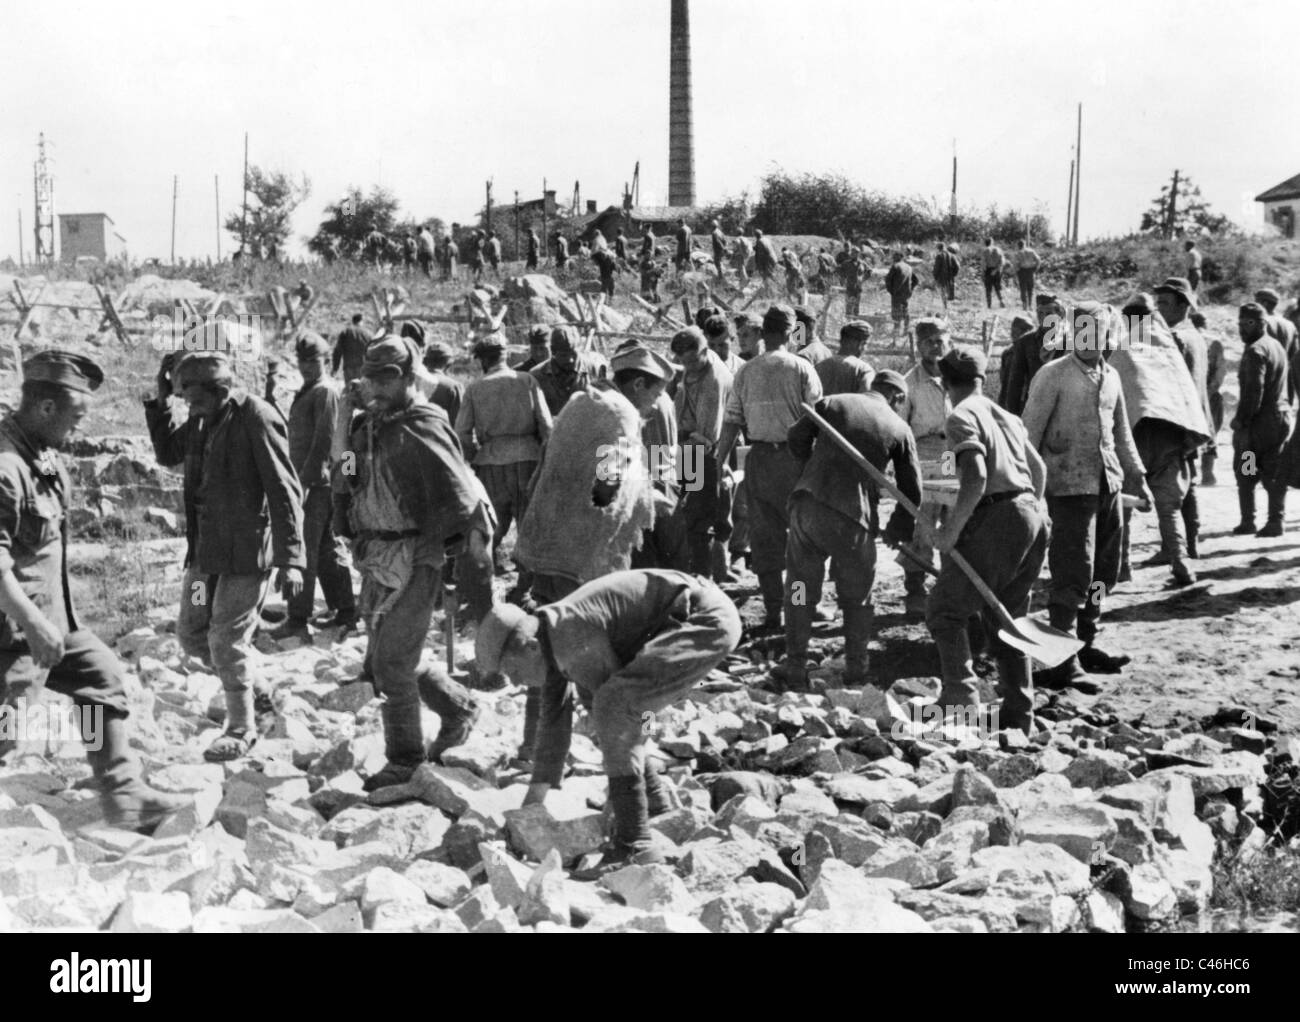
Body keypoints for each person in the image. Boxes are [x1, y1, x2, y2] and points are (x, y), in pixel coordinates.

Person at [1, 352, 189, 831]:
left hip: (51, 619)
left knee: (100, 678)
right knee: (9, 727)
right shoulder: (6, 466)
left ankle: (124, 796)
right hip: (15, 628)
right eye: (76, 417)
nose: (79, 429)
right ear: (45, 407)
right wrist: (30, 621)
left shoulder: (42, 455)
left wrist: (49, 621)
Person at [476, 569, 741, 865]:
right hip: (689, 622)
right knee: (602, 701)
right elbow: (553, 726)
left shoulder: (569, 633)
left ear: (531, 647)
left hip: (707, 622)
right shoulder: (549, 639)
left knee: (612, 705)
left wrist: (616, 798)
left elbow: (622, 716)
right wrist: (523, 819)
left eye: (512, 671)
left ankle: (635, 844)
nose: (514, 682)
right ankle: (653, 801)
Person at [333, 336, 488, 789]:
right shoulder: (370, 426)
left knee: (390, 666)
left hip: (420, 555)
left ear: (407, 377)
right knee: (389, 655)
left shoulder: (425, 422)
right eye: (371, 379)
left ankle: (405, 759)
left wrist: (466, 573)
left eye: (388, 379)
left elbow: (460, 500)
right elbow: (344, 479)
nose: (377, 389)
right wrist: (344, 421)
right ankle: (458, 708)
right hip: (377, 557)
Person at [144, 348, 305, 762]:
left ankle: (241, 726)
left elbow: (284, 489)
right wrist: (160, 403)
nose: (191, 408)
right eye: (186, 400)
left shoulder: (256, 416)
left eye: (195, 399)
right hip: (205, 558)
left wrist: (291, 557)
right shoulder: (200, 420)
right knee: (193, 633)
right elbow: (167, 454)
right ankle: (258, 694)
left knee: (226, 637)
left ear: (221, 390)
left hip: (246, 558)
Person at [1021, 302, 1152, 692]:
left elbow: (1122, 431)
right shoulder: (1053, 375)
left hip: (1107, 485)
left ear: (1109, 335)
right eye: (1083, 332)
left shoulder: (1110, 376)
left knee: (1102, 572)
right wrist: (1030, 485)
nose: (1091, 339)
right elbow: (1028, 434)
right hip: (1067, 487)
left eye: (1098, 332)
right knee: (1073, 571)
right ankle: (1060, 660)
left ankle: (1086, 642)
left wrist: (1138, 477)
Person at [923, 346, 1049, 734]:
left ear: (944, 383)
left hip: (998, 516)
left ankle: (960, 697)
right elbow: (1039, 470)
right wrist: (1028, 513)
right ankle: (1018, 715)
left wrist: (949, 534)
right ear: (981, 379)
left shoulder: (960, 416)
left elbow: (974, 477)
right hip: (1033, 514)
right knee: (1008, 620)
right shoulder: (1006, 416)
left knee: (944, 610)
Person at [771, 372, 920, 689]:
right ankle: (856, 670)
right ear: (897, 398)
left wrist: (813, 468)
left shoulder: (832, 402)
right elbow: (912, 490)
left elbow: (795, 436)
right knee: (857, 597)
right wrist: (898, 528)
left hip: (808, 508)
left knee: (800, 587)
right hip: (853, 520)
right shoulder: (899, 428)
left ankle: (795, 664)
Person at [716, 305, 824, 629]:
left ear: (764, 333)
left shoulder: (746, 371)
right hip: (796, 460)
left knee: (765, 538)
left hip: (759, 460)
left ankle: (775, 609)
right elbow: (819, 418)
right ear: (791, 333)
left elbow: (732, 420)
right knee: (801, 539)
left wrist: (718, 461)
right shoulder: (801, 367)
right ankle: (801, 607)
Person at [1111, 295, 1211, 587]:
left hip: (1134, 437)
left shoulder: (1121, 349)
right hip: (1168, 435)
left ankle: (1123, 566)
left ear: (1128, 319)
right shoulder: (1169, 347)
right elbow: (1184, 390)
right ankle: (1181, 562)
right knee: (1169, 508)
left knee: (1125, 505)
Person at [274, 333, 357, 639]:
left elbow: (324, 439)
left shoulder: (325, 392)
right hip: (311, 481)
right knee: (325, 549)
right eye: (302, 361)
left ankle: (297, 620)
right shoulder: (310, 390)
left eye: (313, 361)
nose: (307, 367)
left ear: (325, 361)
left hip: (314, 483)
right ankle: (346, 612)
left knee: (302, 548)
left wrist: (305, 482)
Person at [456, 337, 553, 589]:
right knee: (528, 527)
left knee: (492, 528)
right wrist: (544, 456)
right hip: (528, 460)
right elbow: (547, 425)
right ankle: (526, 586)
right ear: (505, 355)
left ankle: (479, 586)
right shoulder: (527, 381)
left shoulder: (475, 389)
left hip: (491, 462)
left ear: (484, 360)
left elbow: (462, 433)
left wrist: (475, 456)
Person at [1153, 277, 1212, 560]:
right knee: (1188, 485)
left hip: (1178, 423)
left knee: (1172, 490)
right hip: (1195, 422)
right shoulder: (1196, 337)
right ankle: (1191, 543)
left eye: (1163, 303)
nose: (1157, 309)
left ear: (1182, 305)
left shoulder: (1175, 338)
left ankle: (1173, 549)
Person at [669, 327, 734, 580]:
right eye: (683, 362)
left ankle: (702, 579)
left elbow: (706, 436)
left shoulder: (713, 381)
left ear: (705, 351)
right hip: (684, 448)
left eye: (692, 360)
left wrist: (679, 459)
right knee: (680, 513)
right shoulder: (692, 369)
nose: (688, 367)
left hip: (700, 453)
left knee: (698, 519)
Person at [900, 317, 955, 617]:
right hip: (925, 451)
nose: (935, 346)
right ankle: (915, 588)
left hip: (955, 452)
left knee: (955, 519)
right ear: (919, 346)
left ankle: (950, 586)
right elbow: (900, 426)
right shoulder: (910, 382)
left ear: (949, 342)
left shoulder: (958, 376)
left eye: (940, 340)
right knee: (922, 521)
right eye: (929, 341)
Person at [1231, 302, 1293, 536]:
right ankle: (1276, 520)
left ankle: (1249, 521)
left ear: (1262, 324)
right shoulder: (1275, 345)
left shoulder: (1256, 351)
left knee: (1247, 470)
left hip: (1257, 425)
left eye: (1248, 324)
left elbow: (1253, 391)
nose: (1242, 329)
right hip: (1279, 418)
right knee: (1273, 470)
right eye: (1240, 324)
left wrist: (1241, 420)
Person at [1001, 292, 1066, 415]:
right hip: (1034, 405)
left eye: (1049, 314)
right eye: (1040, 313)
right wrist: (1013, 416)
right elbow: (1015, 383)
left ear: (1060, 315)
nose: (1044, 318)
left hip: (1063, 407)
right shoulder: (1026, 342)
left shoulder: (1069, 342)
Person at [531, 325, 602, 416]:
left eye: (574, 354)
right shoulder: (537, 376)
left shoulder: (592, 369)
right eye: (563, 355)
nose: (570, 360)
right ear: (553, 351)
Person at [1191, 310, 1227, 485]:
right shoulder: (1214, 342)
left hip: (1191, 395)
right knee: (1210, 435)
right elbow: (1220, 374)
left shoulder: (1185, 339)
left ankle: (1190, 474)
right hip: (1209, 396)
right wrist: (1208, 392)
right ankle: (1208, 474)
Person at [1254, 288, 1300, 401]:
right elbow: (1294, 355)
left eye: (1256, 301)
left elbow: (1255, 352)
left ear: (1264, 303)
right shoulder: (1289, 324)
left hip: (1266, 378)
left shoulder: (1261, 323)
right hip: (1285, 379)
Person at [816, 321, 874, 396]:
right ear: (860, 344)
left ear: (841, 341)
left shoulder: (819, 366)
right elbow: (866, 401)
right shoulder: (863, 370)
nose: (865, 349)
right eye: (865, 344)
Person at [422, 340, 464, 424]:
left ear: (425, 361)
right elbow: (459, 423)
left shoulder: (412, 382)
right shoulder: (453, 386)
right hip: (441, 435)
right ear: (448, 363)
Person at [999, 313, 1036, 408]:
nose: (1013, 335)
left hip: (1026, 399)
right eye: (1013, 332)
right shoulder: (1008, 352)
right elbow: (1003, 379)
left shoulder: (1032, 352)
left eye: (1017, 332)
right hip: (1008, 398)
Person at [883, 251, 919, 341]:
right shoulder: (909, 267)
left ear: (899, 257)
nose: (893, 258)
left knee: (896, 312)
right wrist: (910, 289)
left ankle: (896, 332)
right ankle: (906, 330)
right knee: (905, 311)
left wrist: (891, 290)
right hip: (906, 293)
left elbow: (888, 279)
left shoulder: (895, 266)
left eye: (894, 256)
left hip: (897, 293)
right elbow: (916, 280)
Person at [333, 313, 370, 383]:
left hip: (348, 368)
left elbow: (338, 351)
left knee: (349, 391)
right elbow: (372, 352)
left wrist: (335, 368)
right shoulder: (368, 333)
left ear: (353, 321)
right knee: (362, 391)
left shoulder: (345, 332)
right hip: (362, 368)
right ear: (361, 321)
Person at [1013, 240, 1041, 308]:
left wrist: (1015, 274)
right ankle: (1030, 305)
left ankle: (1024, 304)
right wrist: (1036, 269)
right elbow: (1038, 260)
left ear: (1019, 246)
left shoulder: (1018, 253)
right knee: (1030, 289)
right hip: (1030, 272)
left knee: (1023, 289)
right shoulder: (1031, 251)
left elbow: (1015, 265)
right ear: (1024, 244)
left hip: (1022, 272)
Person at [843, 246, 868, 317]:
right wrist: (844, 278)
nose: (853, 254)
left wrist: (863, 278)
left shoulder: (862, 263)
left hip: (858, 288)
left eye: (856, 253)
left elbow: (869, 271)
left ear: (858, 254)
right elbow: (839, 269)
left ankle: (855, 320)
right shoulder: (846, 263)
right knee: (848, 304)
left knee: (856, 305)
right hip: (849, 287)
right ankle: (847, 320)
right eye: (853, 252)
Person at [981, 237, 1006, 309]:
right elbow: (1002, 262)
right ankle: (1001, 301)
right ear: (992, 242)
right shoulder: (999, 250)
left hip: (988, 271)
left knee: (988, 289)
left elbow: (983, 263)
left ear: (985, 243)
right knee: (998, 287)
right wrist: (996, 270)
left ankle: (989, 305)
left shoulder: (985, 251)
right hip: (997, 271)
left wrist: (983, 273)